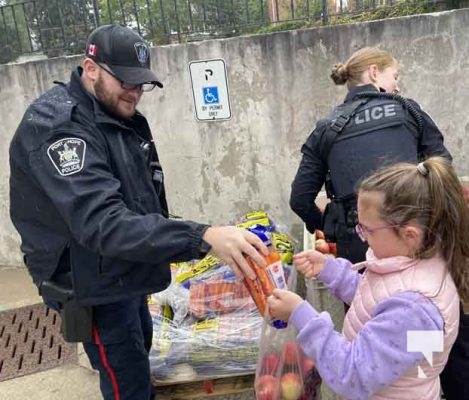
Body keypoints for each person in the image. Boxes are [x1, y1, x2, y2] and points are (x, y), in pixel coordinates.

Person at [9, 24, 268, 400]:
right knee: (125, 382)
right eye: (126, 82)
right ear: (91, 68)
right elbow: (103, 223)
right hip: (90, 284)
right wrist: (201, 236)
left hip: (122, 270)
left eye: (141, 84)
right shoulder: (58, 128)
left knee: (138, 352)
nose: (134, 92)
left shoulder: (110, 113)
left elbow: (138, 202)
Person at [268, 157, 469, 400]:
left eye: (367, 230)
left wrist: (300, 314)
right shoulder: (414, 261)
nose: (361, 236)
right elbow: (376, 300)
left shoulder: (415, 310)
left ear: (409, 235)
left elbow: (352, 375)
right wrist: (330, 270)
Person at [289, 46, 451, 263]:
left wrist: (334, 228)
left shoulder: (325, 128)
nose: (397, 85)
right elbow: (443, 167)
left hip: (358, 246)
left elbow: (300, 199)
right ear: (374, 72)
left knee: (361, 296)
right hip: (416, 235)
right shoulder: (408, 110)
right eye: (394, 76)